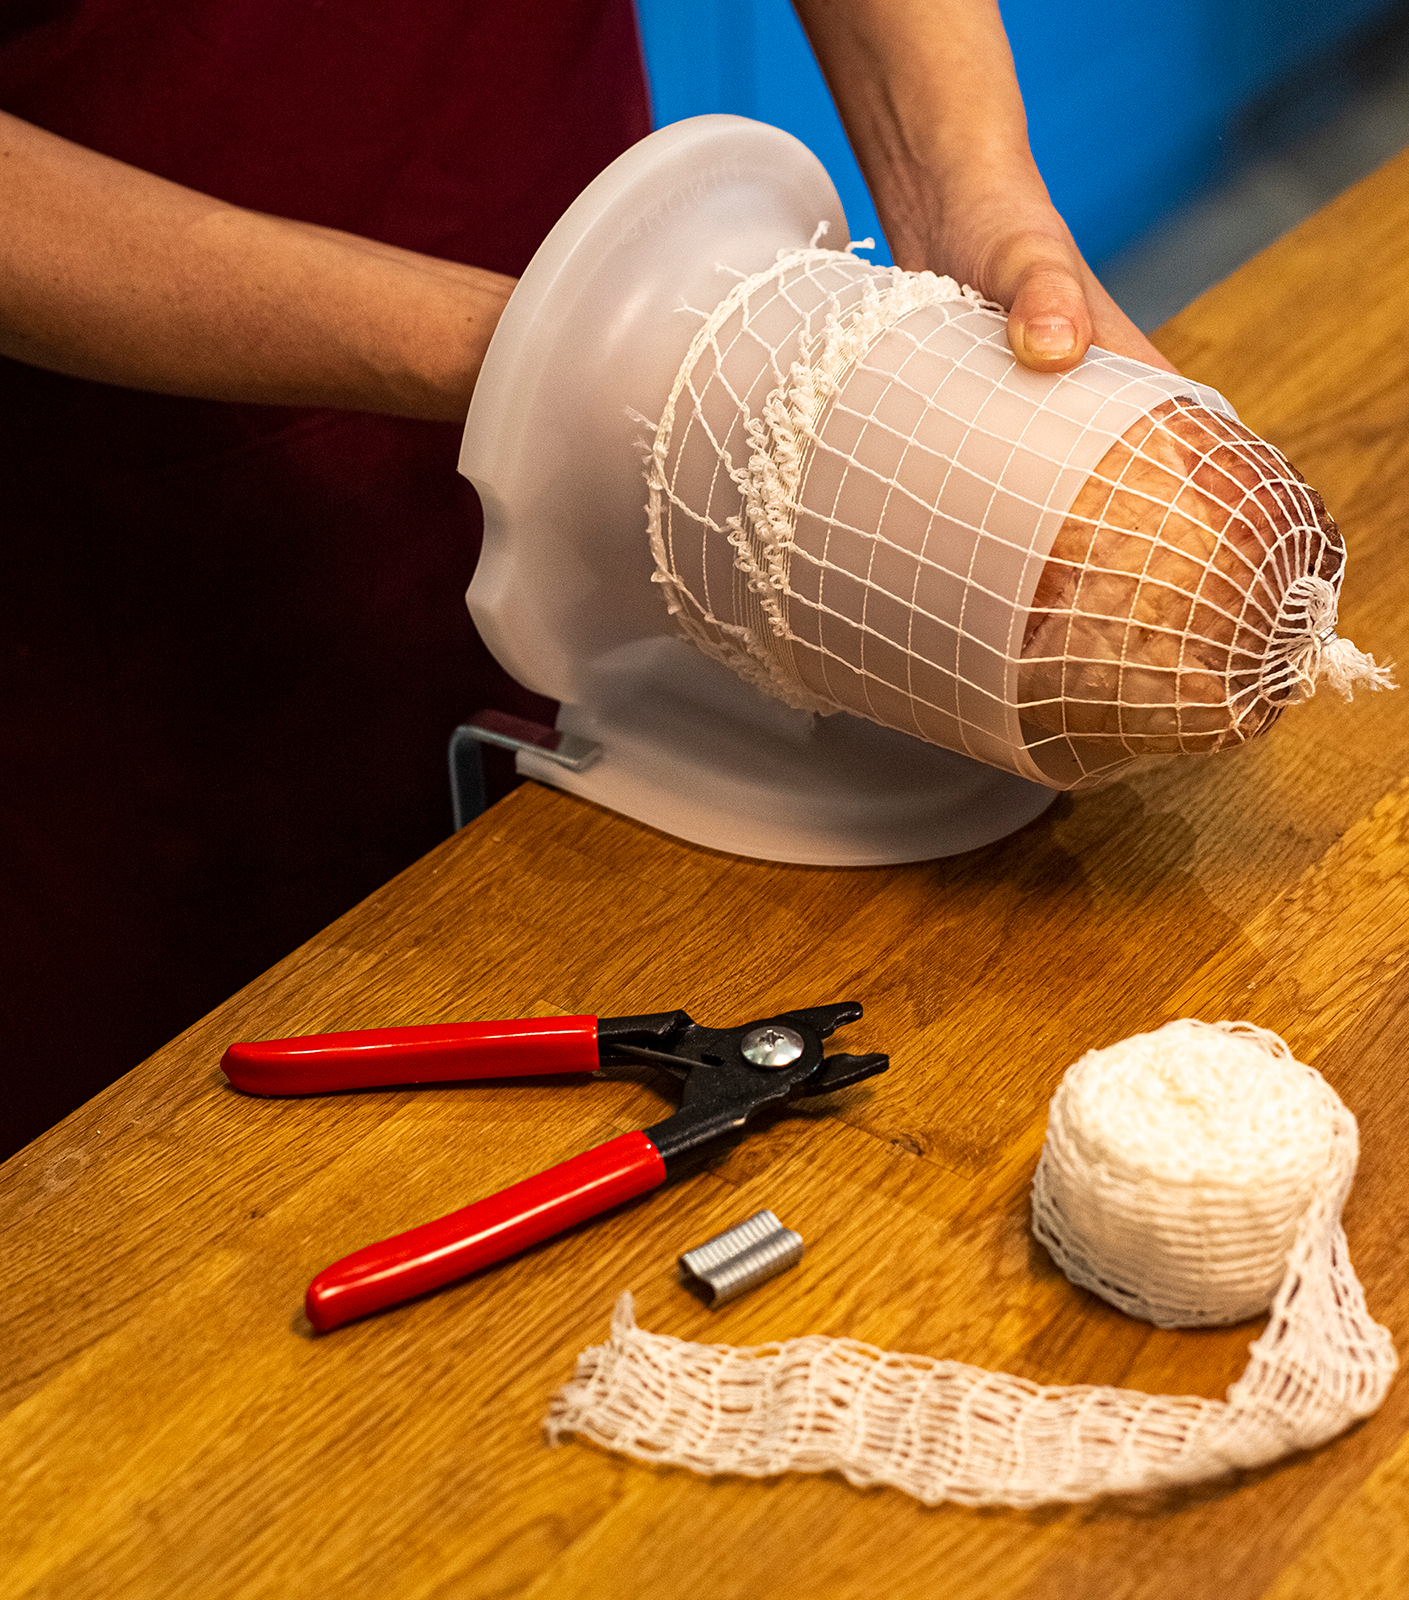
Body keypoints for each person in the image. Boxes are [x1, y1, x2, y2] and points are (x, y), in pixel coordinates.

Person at [0, 0, 1166, 1157]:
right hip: (151, 503)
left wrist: (969, 190)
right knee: (186, 1148)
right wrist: (558, 357)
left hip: (587, 256)